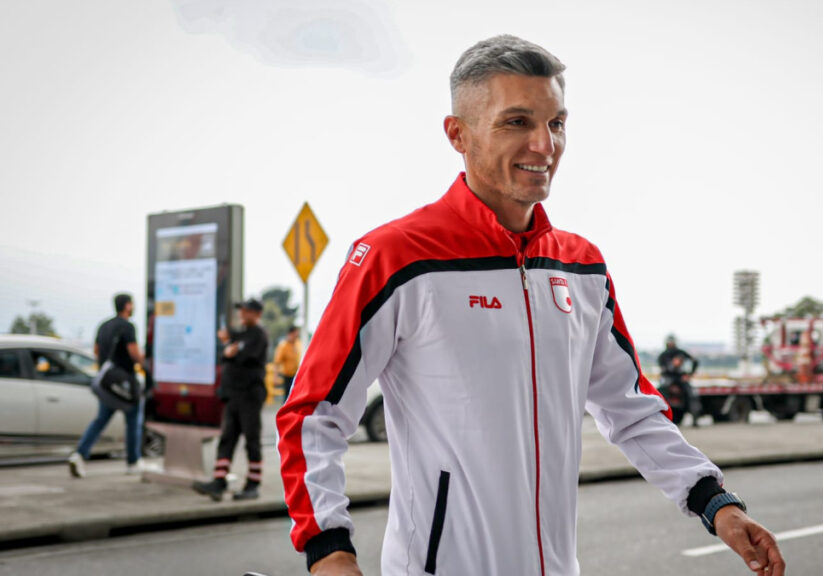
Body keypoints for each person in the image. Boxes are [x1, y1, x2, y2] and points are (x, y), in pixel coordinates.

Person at [278, 36, 785, 576]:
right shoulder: (396, 257)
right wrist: (329, 553)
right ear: (458, 134)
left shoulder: (581, 265)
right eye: (517, 122)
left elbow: (631, 409)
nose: (545, 145)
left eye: (557, 123)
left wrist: (715, 503)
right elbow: (313, 414)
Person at [193, 298, 269, 501]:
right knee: (227, 438)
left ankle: (253, 484)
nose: (242, 314)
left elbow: (242, 357)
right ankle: (219, 481)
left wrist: (229, 347)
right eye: (241, 311)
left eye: (246, 311)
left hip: (249, 395)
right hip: (233, 395)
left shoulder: (258, 335)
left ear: (256, 314)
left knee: (251, 439)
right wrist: (227, 347)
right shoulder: (241, 334)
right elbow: (227, 354)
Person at [69, 293, 147, 477]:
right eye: (132, 304)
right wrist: (147, 367)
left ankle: (79, 454)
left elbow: (96, 350)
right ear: (127, 306)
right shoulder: (127, 327)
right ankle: (133, 462)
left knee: (100, 420)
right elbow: (134, 352)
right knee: (133, 420)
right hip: (124, 382)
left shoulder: (104, 326)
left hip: (107, 383)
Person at [274, 325, 302, 399]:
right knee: (287, 396)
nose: (296, 337)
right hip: (288, 375)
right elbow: (277, 362)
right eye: (295, 335)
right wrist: (275, 377)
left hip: (297, 375)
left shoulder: (298, 343)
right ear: (290, 334)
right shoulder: (283, 346)